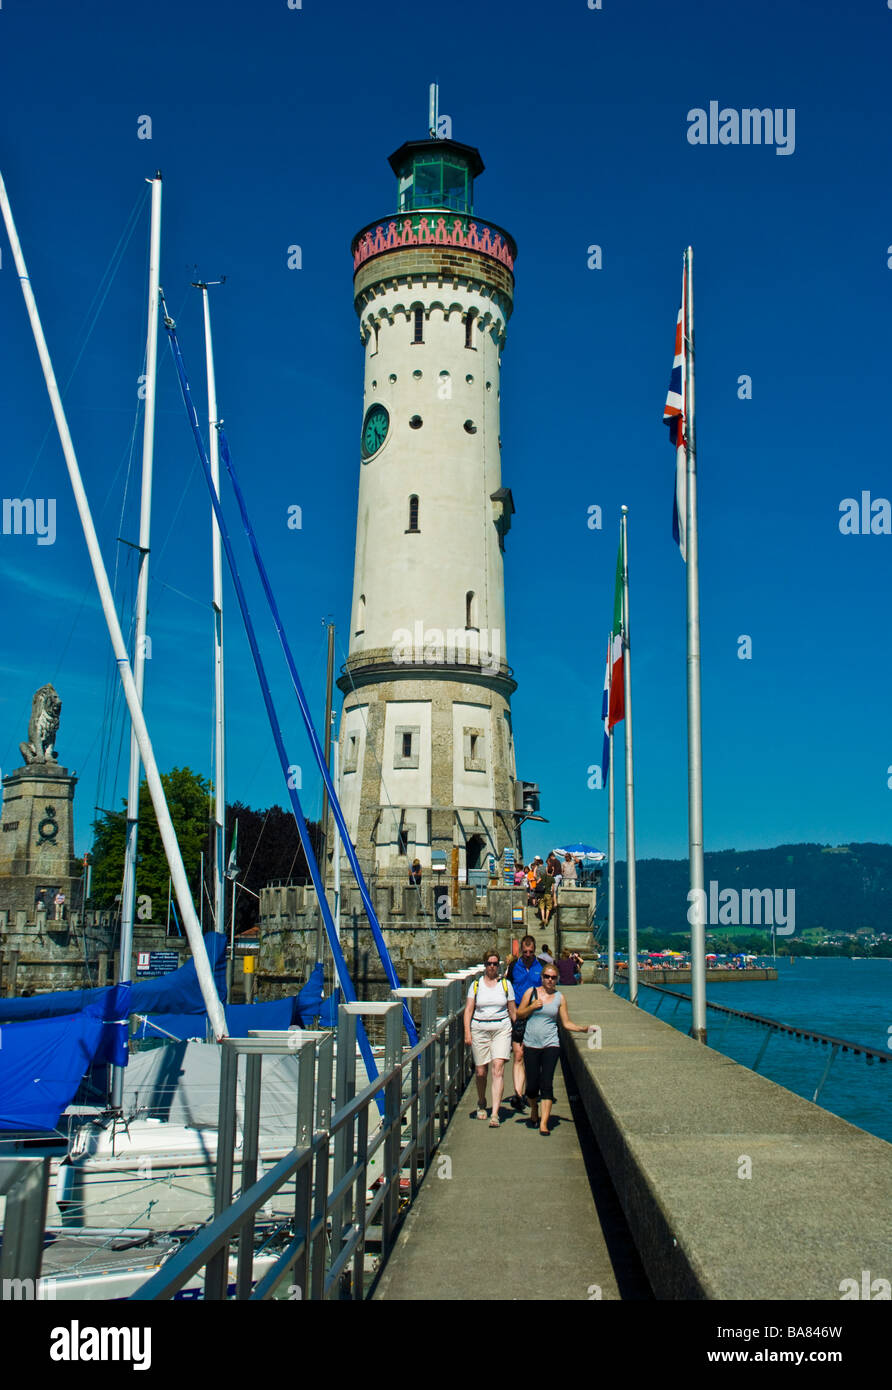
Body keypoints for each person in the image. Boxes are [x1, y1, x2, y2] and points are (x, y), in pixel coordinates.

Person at [517, 964, 592, 1135]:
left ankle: (544, 1123)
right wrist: (532, 1007)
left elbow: (565, 1023)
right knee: (531, 1087)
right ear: (541, 977)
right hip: (531, 1044)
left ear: (557, 979)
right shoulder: (531, 993)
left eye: (553, 977)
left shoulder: (560, 997)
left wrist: (582, 1029)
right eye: (547, 976)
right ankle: (534, 1108)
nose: (550, 980)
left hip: (551, 1044)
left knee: (547, 1084)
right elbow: (519, 1014)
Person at [464, 950, 516, 1127]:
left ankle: (495, 1113)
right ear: (484, 965)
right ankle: (481, 1101)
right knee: (480, 1072)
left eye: (495, 963)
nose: (492, 967)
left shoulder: (506, 985)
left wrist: (519, 1033)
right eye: (489, 964)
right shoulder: (476, 985)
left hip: (501, 1028)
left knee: (498, 1068)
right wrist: (467, 1032)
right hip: (480, 1028)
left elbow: (512, 1011)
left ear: (499, 965)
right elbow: (469, 1010)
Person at [505, 935, 542, 1110]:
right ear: (521, 950)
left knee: (532, 1056)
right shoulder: (514, 967)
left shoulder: (540, 966)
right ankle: (518, 1095)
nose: (528, 955)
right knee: (518, 1055)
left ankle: (530, 1092)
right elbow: (507, 989)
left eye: (531, 952)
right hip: (518, 1015)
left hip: (536, 1015)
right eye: (525, 952)